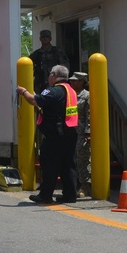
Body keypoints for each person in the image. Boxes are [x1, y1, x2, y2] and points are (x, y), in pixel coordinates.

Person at [16, 65, 78, 203]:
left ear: (54, 75)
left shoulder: (54, 90)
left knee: (49, 164)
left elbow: (35, 101)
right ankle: (70, 195)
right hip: (69, 132)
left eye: (50, 74)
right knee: (67, 165)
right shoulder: (70, 90)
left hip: (55, 134)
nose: (48, 76)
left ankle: (45, 195)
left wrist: (24, 91)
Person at [69, 72, 91, 197]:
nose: (72, 83)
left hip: (82, 133)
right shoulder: (70, 95)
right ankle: (75, 185)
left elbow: (89, 115)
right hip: (71, 131)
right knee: (74, 160)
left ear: (82, 82)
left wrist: (88, 132)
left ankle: (85, 187)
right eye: (72, 81)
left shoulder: (86, 96)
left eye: (75, 81)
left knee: (83, 160)